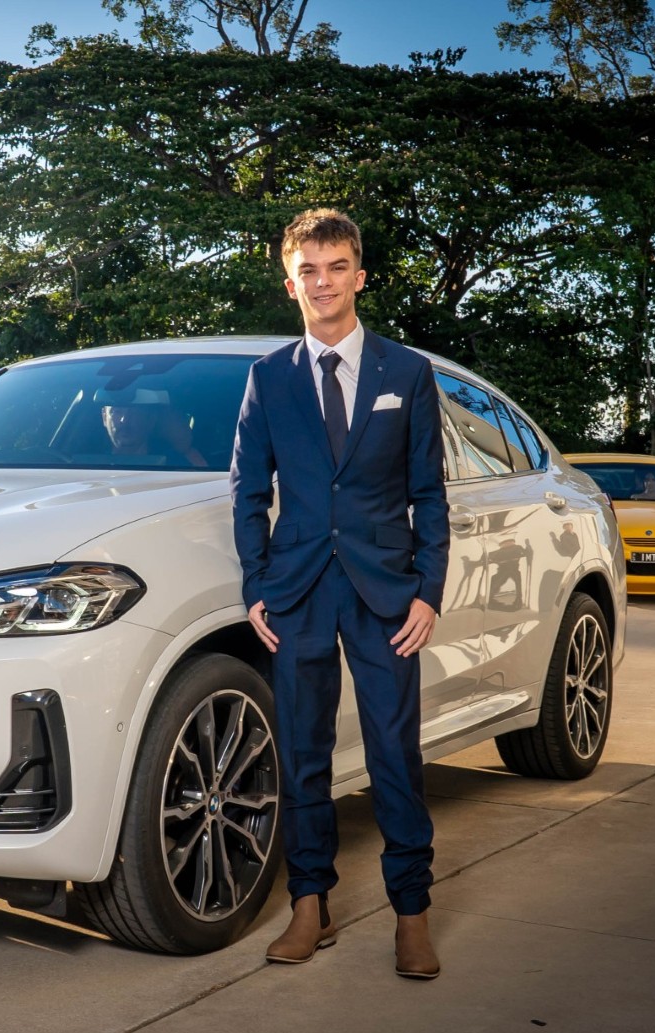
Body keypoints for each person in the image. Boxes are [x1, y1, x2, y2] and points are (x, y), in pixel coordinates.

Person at [230, 208, 450, 978]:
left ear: (359, 275)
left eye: (334, 268)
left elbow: (428, 493)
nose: (321, 283)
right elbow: (247, 490)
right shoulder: (268, 378)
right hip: (296, 595)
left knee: (394, 753)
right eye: (307, 271)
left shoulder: (405, 373)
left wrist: (427, 590)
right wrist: (256, 585)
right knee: (302, 754)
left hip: (386, 594)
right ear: (290, 284)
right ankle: (309, 904)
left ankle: (410, 914)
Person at [100, 389, 208, 467]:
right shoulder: (92, 461)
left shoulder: (176, 464)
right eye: (116, 412)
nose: (124, 420)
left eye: (135, 413)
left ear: (151, 420)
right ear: (104, 417)